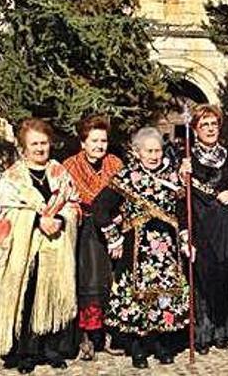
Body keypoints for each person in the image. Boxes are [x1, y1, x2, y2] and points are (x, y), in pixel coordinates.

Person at [91, 127, 190, 369]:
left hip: (167, 251)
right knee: (137, 298)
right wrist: (113, 237)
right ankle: (137, 348)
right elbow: (100, 207)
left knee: (163, 297)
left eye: (157, 150)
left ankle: (161, 344)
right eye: (148, 151)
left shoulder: (173, 177)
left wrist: (186, 237)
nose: (154, 155)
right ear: (137, 153)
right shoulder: (126, 177)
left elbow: (182, 210)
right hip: (136, 251)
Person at [0, 118, 80, 374]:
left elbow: (73, 204)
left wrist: (61, 219)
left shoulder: (60, 173)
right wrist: (35, 220)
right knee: (27, 296)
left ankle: (51, 348)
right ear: (23, 148)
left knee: (54, 293)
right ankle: (26, 352)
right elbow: (2, 214)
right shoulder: (12, 179)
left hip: (55, 245)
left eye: (44, 143)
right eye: (34, 144)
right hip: (26, 248)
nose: (40, 148)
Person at [179, 104, 228, 353]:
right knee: (202, 279)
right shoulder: (186, 157)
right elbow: (179, 198)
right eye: (204, 125)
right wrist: (181, 176)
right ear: (195, 129)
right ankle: (202, 334)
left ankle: (222, 331)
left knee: (224, 276)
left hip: (226, 226)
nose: (210, 129)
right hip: (201, 226)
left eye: (213, 124)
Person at [62, 115, 124, 360]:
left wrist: (119, 217)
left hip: (113, 228)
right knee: (87, 283)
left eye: (103, 141)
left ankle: (109, 334)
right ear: (83, 142)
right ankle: (86, 338)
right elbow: (64, 198)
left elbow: (126, 195)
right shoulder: (70, 166)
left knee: (112, 281)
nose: (100, 146)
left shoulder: (115, 164)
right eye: (94, 140)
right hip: (84, 229)